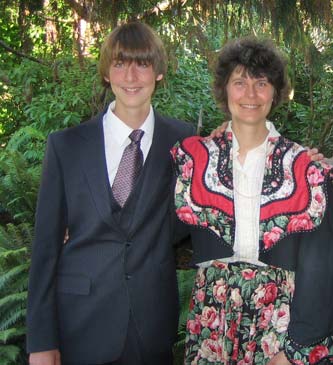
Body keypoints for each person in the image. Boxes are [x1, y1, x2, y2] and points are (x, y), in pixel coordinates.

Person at [26, 22, 195, 365]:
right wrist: (41, 342)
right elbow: (45, 247)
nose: (131, 76)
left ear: (159, 72)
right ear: (106, 72)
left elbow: (191, 217)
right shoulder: (66, 146)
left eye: (142, 63)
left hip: (151, 326)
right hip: (80, 322)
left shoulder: (185, 142)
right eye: (119, 64)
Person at [171, 37, 333, 365]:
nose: (250, 94)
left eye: (261, 83)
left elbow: (320, 266)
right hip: (213, 320)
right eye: (240, 82)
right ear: (224, 90)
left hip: (283, 323)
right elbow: (154, 228)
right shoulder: (194, 162)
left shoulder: (306, 169)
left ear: (275, 92)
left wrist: (296, 348)